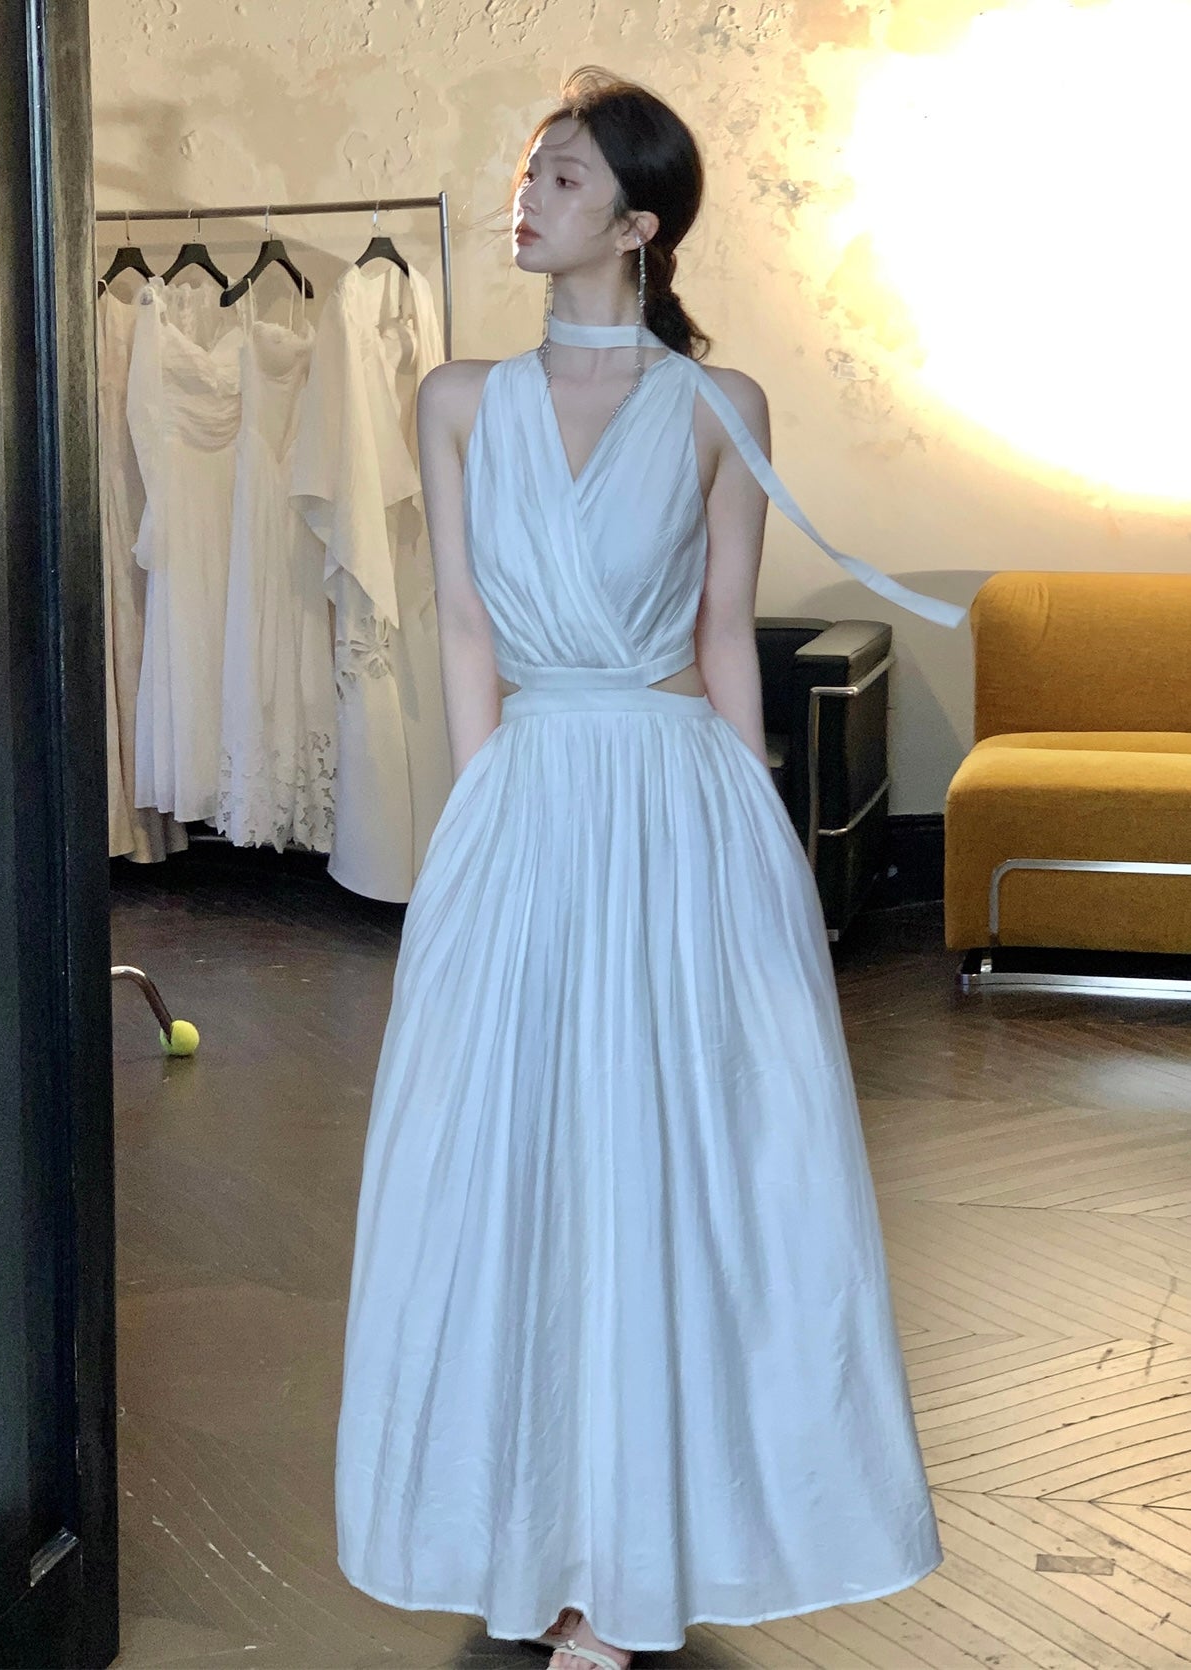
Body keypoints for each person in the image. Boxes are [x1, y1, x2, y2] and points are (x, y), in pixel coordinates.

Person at [334, 65, 955, 1670]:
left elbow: (724, 637)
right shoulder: (455, 401)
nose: (527, 194)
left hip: (678, 803)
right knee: (516, 1166)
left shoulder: (719, 405)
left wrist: (768, 856)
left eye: (564, 175)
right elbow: (466, 633)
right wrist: (477, 826)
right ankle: (532, 1542)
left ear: (639, 224)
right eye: (528, 169)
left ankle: (628, 1573)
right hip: (529, 796)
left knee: (672, 1170)